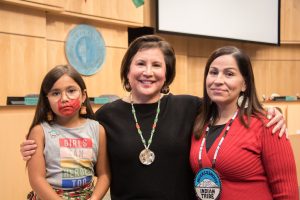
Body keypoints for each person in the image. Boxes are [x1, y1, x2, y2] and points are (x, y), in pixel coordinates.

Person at [21, 36, 286, 200]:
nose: (148, 72)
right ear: (127, 71)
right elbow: (74, 136)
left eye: (157, 65)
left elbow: (229, 113)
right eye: (140, 64)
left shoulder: (191, 107)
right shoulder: (105, 116)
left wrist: (272, 113)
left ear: (167, 74)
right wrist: (35, 146)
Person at [190, 46, 298, 200]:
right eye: (213, 72)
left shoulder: (267, 124)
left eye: (229, 74)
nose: (218, 80)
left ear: (245, 84)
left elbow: (287, 193)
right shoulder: (199, 122)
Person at [26, 65, 110, 200]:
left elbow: (104, 174)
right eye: (55, 93)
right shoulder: (39, 132)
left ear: (83, 96)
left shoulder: (97, 130)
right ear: (46, 100)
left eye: (71, 91)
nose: (64, 98)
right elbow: (36, 179)